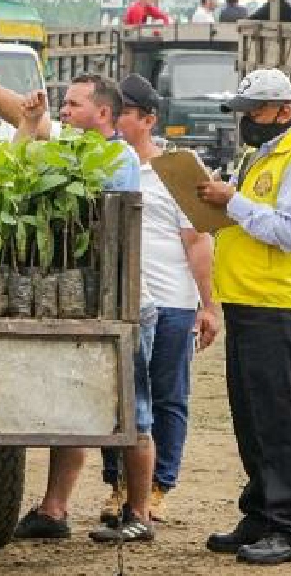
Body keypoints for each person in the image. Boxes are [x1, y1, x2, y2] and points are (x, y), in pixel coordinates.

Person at [11, 74, 156, 542]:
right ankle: (54, 510)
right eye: (64, 105)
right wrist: (30, 125)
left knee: (133, 414)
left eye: (73, 105)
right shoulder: (79, 152)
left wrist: (38, 137)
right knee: (76, 403)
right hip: (91, 302)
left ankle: (139, 515)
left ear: (104, 114)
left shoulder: (116, 159)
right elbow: (21, 174)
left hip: (124, 305)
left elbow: (60, 190)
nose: (66, 112)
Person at [195, 68, 291, 565]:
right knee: (250, 416)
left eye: (254, 112)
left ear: (283, 111)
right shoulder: (262, 154)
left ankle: (290, 526)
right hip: (248, 300)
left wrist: (235, 201)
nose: (246, 122)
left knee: (279, 419)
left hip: (279, 304)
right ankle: (262, 511)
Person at [99, 74, 222, 525]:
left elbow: (198, 241)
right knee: (120, 399)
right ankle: (119, 485)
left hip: (169, 301)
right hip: (122, 301)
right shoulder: (106, 162)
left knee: (167, 397)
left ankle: (155, 487)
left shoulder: (178, 172)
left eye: (126, 114)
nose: (118, 120)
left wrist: (207, 306)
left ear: (149, 120)